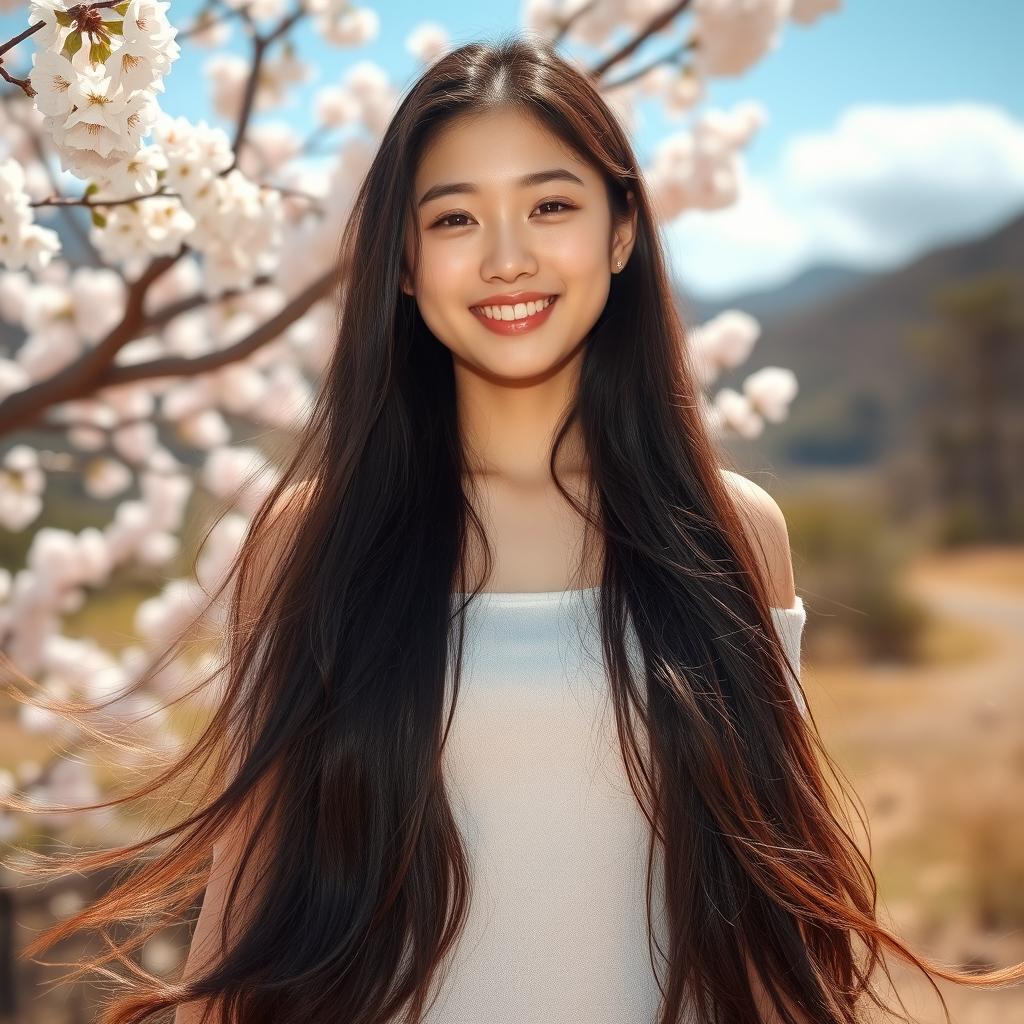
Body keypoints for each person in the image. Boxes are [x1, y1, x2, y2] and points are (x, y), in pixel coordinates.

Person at [13, 32, 1024, 1024]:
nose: (507, 258)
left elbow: (768, 918)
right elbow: (246, 903)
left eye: (549, 204)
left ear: (621, 231)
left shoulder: (733, 532)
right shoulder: (309, 539)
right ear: (403, 264)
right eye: (454, 219)